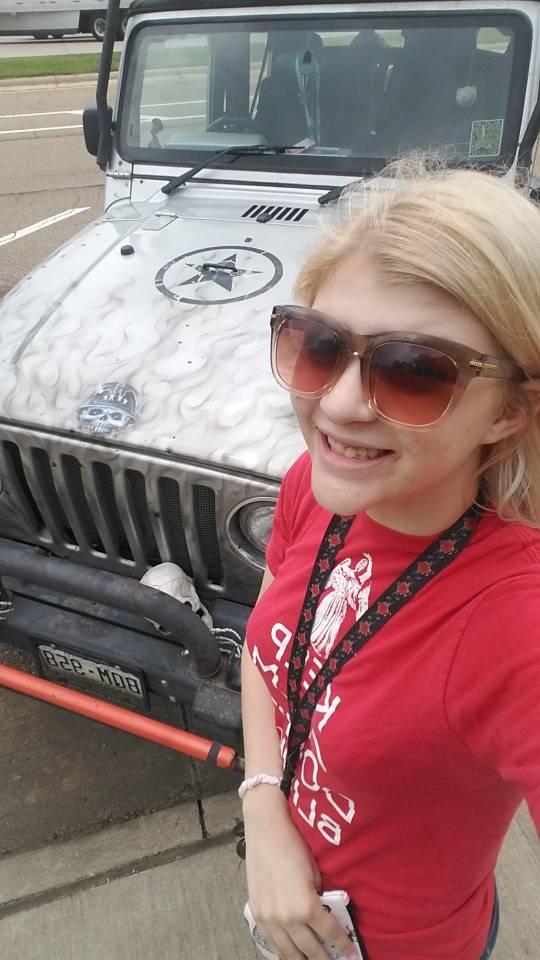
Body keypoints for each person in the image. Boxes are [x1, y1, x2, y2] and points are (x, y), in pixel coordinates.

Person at [240, 159, 540, 960]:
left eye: (414, 372)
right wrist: (262, 807)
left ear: (509, 412)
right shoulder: (318, 486)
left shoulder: (514, 621)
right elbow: (265, 650)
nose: (338, 404)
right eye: (320, 345)